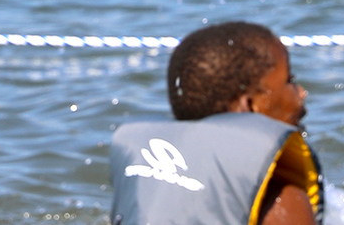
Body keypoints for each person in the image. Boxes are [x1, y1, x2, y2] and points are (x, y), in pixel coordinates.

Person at [109, 22, 324, 225]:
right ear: (249, 106)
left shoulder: (149, 189)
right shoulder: (280, 198)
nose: (301, 93)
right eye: (290, 81)